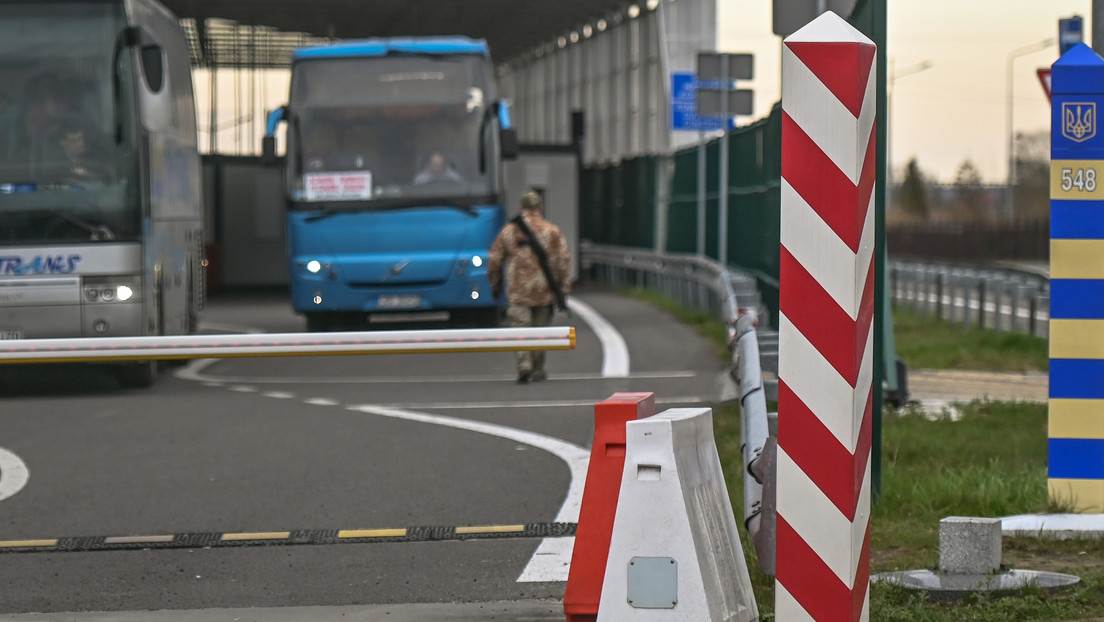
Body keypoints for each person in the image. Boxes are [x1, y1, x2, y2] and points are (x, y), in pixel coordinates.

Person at [487, 191, 572, 384]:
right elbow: (563, 260)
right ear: (540, 208)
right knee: (540, 332)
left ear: (521, 207)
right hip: (544, 292)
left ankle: (524, 365)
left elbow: (494, 260)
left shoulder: (509, 231)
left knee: (521, 329)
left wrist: (495, 285)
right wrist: (564, 288)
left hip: (518, 292)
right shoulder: (552, 231)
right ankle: (538, 368)